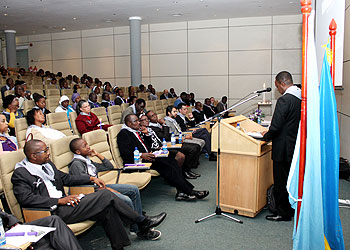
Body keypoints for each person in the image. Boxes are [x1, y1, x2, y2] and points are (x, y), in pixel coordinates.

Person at [12, 139, 167, 250]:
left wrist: (91, 178)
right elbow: (26, 199)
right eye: (45, 151)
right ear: (33, 156)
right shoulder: (21, 174)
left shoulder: (47, 165)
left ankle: (120, 245)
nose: (48, 153)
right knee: (105, 196)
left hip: (68, 203)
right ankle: (141, 221)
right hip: (53, 211)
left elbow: (66, 178)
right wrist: (59, 200)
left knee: (108, 209)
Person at [68, 138, 162, 238]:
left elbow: (108, 166)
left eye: (87, 144)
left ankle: (139, 225)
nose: (88, 147)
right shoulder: (76, 164)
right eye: (84, 146)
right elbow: (84, 185)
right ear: (78, 151)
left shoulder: (86, 161)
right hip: (93, 192)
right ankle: (140, 229)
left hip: (100, 187)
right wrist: (107, 190)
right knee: (126, 200)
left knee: (133, 190)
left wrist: (97, 154)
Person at [118, 114, 209, 201]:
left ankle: (182, 192)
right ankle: (190, 191)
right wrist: (142, 154)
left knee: (172, 162)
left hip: (149, 156)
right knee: (168, 165)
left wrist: (146, 135)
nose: (138, 123)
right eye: (136, 121)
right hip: (137, 161)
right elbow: (125, 153)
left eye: (138, 120)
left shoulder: (136, 131)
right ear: (129, 124)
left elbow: (148, 146)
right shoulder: (124, 134)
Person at [262, 71, 301, 222]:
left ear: (282, 83)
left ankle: (282, 212)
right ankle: (290, 209)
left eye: (277, 86)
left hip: (282, 148)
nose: (277, 89)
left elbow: (276, 126)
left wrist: (265, 137)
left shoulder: (285, 100)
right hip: (293, 146)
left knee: (280, 181)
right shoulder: (300, 98)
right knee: (290, 179)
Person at [146, 111, 201, 179]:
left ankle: (187, 169)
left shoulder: (158, 124)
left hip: (172, 141)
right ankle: (185, 171)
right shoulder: (152, 127)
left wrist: (177, 139)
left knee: (196, 146)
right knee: (192, 149)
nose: (155, 116)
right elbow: (165, 137)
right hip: (166, 145)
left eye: (155, 114)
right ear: (148, 119)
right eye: (152, 116)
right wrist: (164, 124)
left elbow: (169, 135)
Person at [0, 209, 83, 250]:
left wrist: (14, 222)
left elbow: (2, 213)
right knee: (46, 242)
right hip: (3, 241)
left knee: (54, 221)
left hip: (7, 231)